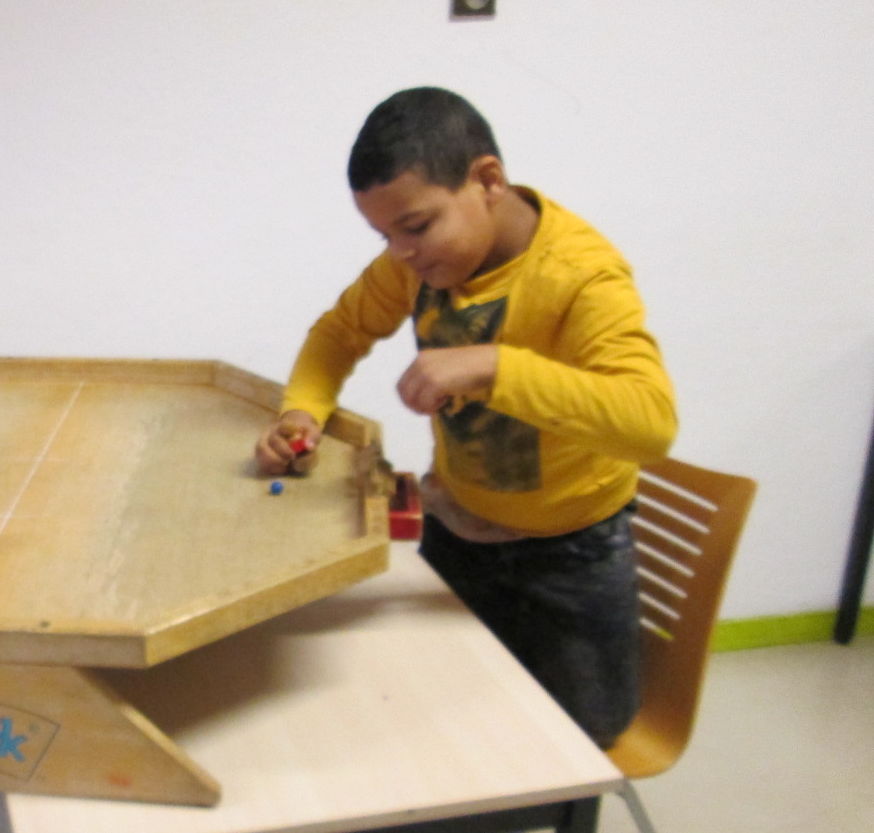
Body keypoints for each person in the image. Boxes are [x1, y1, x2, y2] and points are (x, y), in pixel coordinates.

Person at [256, 87, 677, 747]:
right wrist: (302, 413)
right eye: (385, 235)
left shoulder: (582, 275)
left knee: (577, 743)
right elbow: (339, 333)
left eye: (417, 226)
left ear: (488, 181)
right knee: (439, 713)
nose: (401, 252)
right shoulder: (416, 262)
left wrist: (493, 367)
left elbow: (650, 422)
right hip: (460, 525)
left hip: (572, 554)